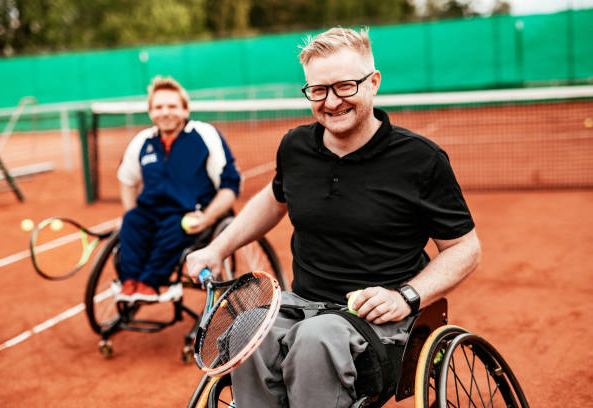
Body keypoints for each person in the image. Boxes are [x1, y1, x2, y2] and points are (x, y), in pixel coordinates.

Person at [186, 27, 481, 407]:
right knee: (248, 328)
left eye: (345, 86)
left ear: (373, 83)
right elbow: (275, 198)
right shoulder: (296, 146)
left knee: (315, 341)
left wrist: (407, 296)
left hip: (379, 319)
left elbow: (465, 248)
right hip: (302, 303)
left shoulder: (421, 160)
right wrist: (216, 248)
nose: (332, 102)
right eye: (318, 90)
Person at [116, 75, 241, 303]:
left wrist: (207, 217)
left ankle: (149, 284)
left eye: (172, 106)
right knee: (132, 220)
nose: (165, 112)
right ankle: (130, 283)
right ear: (151, 112)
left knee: (177, 226)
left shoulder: (205, 135)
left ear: (185, 110)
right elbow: (126, 178)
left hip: (190, 215)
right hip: (152, 213)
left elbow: (230, 185)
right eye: (158, 107)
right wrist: (130, 210)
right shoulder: (143, 141)